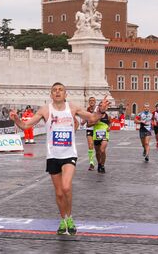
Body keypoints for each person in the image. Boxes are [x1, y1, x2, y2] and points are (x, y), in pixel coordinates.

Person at [9, 82, 110, 235]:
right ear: (51, 94)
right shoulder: (45, 110)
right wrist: (16, 118)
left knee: (66, 187)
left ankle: (70, 217)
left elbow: (93, 118)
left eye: (60, 90)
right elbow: (25, 126)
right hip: (53, 155)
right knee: (59, 193)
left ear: (65, 94)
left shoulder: (73, 108)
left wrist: (100, 109)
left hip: (69, 154)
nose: (57, 92)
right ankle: (63, 219)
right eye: (54, 90)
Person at [91, 108, 111, 173]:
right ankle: (99, 163)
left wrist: (109, 127)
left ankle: (102, 165)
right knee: (97, 152)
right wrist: (94, 123)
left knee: (102, 150)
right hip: (96, 135)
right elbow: (88, 124)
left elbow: (110, 123)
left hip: (105, 135)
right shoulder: (94, 115)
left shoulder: (107, 116)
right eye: (101, 106)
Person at [81, 97, 97, 170]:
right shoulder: (87, 110)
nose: (91, 102)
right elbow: (84, 119)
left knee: (98, 148)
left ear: (95, 102)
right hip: (89, 129)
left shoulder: (98, 109)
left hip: (98, 130)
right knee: (90, 145)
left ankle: (100, 162)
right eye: (90, 101)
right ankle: (91, 163)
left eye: (93, 100)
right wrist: (83, 122)